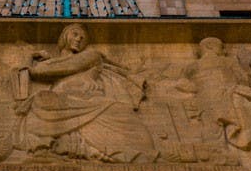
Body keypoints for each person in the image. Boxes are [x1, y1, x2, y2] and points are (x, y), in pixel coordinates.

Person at [16, 23, 156, 162]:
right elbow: (43, 70)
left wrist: (35, 59)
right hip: (62, 102)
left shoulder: (91, 55)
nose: (79, 39)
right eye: (75, 34)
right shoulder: (56, 62)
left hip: (87, 101)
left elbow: (44, 70)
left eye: (83, 38)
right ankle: (45, 149)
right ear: (64, 37)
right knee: (41, 100)